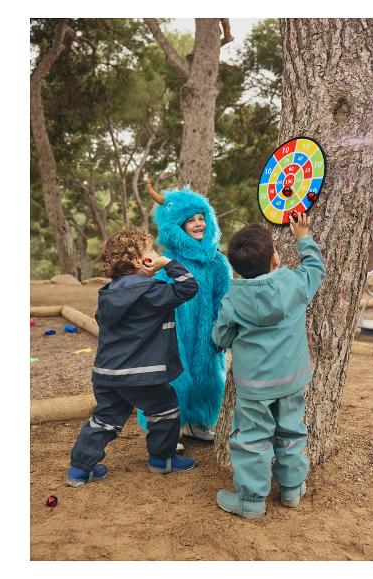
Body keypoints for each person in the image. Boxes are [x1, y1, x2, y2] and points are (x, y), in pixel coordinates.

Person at [211, 213, 326, 518]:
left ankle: (251, 502)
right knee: (291, 432)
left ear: (236, 268)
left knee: (251, 440)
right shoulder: (294, 282)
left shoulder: (233, 299)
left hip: (253, 388)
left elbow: (220, 336)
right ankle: (291, 490)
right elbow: (315, 268)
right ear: (275, 258)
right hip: (292, 380)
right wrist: (303, 237)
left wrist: (227, 335)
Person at [66, 229, 199, 486]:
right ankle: (162, 459)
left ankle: (79, 469)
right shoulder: (150, 292)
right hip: (142, 376)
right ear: (140, 261)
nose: (156, 255)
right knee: (165, 409)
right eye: (151, 251)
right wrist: (169, 263)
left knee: (104, 419)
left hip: (106, 374)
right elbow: (188, 287)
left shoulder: (108, 294)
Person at [135, 181, 232, 445]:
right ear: (177, 225)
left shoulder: (216, 260)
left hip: (207, 332)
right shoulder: (166, 260)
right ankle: (168, 429)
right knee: (175, 378)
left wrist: (220, 330)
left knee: (208, 375)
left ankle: (197, 422)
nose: (199, 224)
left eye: (202, 218)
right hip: (174, 330)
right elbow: (156, 298)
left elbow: (223, 297)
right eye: (191, 220)